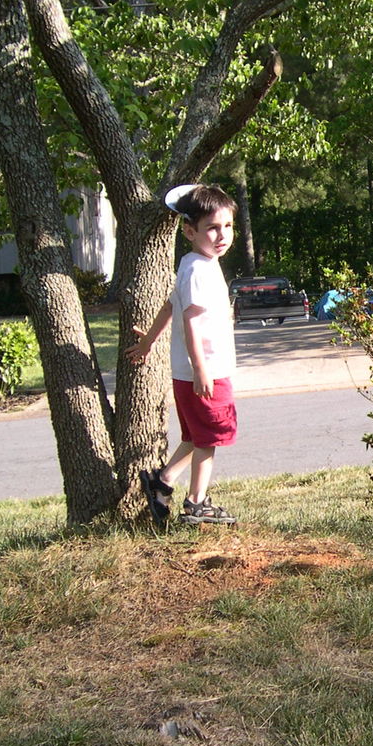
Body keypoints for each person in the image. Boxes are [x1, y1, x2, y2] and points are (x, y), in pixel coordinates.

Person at [125, 183, 239, 527]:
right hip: (206, 373)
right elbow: (190, 320)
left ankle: (161, 482)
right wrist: (202, 368)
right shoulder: (198, 270)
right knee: (209, 439)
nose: (222, 235)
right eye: (212, 228)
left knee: (194, 436)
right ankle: (196, 503)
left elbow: (169, 306)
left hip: (195, 373)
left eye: (228, 226)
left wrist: (147, 343)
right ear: (190, 231)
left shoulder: (196, 263)